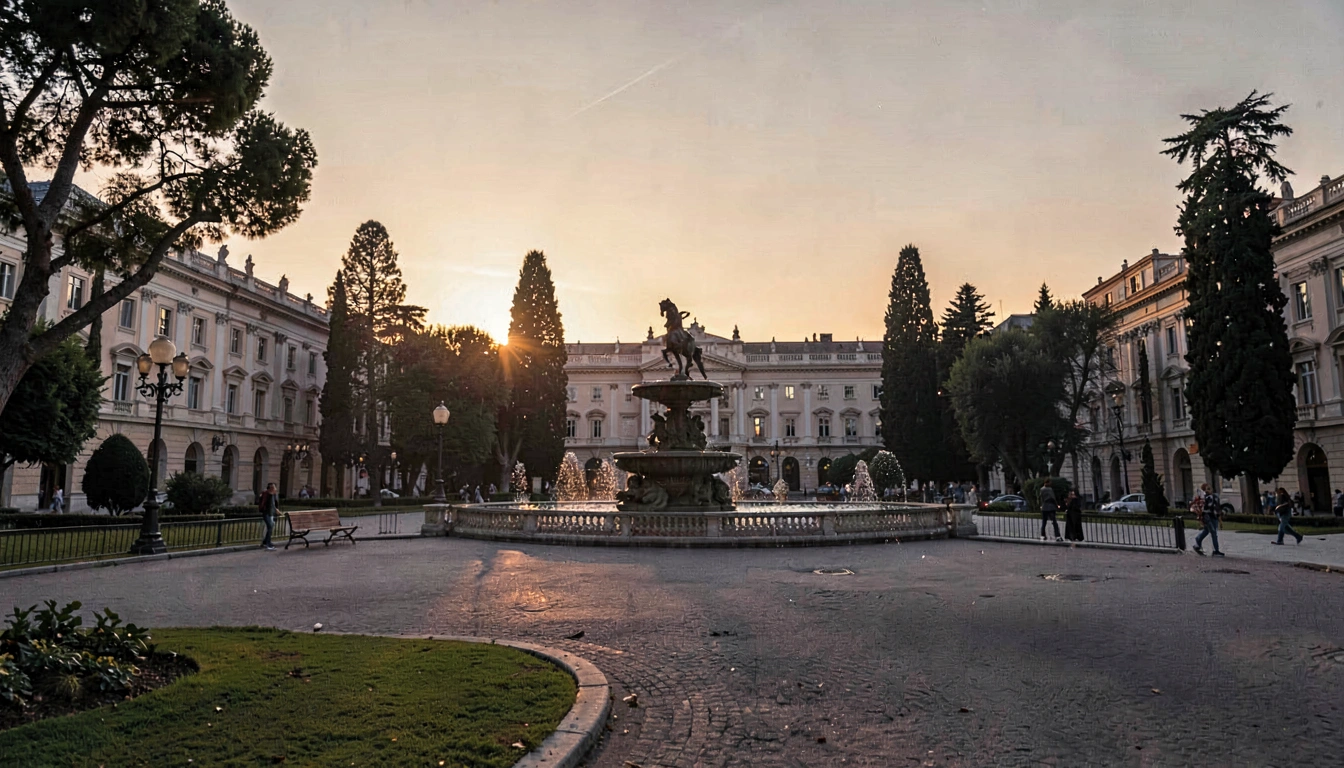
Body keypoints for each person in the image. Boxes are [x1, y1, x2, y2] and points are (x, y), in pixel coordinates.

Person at [1191, 482, 1223, 556]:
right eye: (1206, 489)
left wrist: (1220, 519)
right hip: (1207, 517)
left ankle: (1197, 541)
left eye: (1209, 488)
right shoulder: (1205, 498)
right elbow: (1205, 507)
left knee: (1206, 531)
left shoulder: (1214, 497)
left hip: (1214, 516)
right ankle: (1216, 550)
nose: (1208, 490)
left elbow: (1217, 508)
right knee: (1213, 533)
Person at [257, 482, 279, 551]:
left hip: (271, 513)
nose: (275, 489)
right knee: (270, 527)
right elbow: (264, 504)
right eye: (274, 487)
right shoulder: (267, 494)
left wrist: (276, 510)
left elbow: (273, 504)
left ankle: (265, 541)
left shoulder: (273, 495)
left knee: (270, 527)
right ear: (271, 488)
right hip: (267, 513)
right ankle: (268, 544)